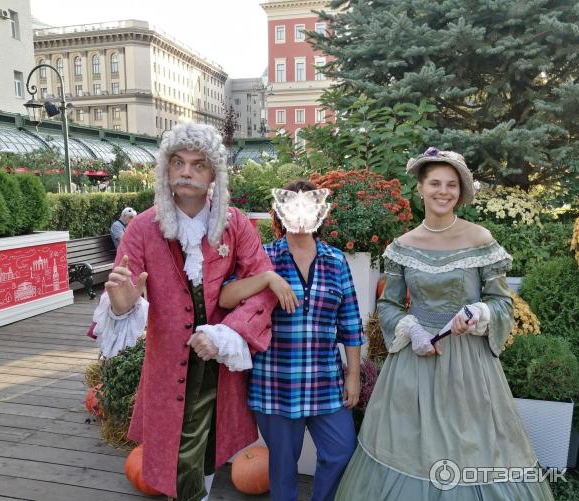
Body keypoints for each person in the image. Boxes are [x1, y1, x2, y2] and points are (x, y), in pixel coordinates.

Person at [335, 148, 554, 500]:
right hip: (415, 363)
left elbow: (502, 303)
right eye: (435, 183)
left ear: (461, 191)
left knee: (472, 445)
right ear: (420, 188)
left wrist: (478, 313)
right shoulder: (402, 246)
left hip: (469, 365)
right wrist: (412, 330)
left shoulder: (480, 240)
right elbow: (388, 305)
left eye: (451, 184)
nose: (443, 191)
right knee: (410, 445)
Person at [93, 123, 278, 500]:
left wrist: (226, 334)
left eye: (198, 164)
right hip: (168, 367)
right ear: (166, 169)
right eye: (177, 162)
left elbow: (261, 287)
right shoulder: (143, 228)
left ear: (213, 174)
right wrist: (122, 301)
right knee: (180, 453)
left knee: (206, 451)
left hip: (219, 363)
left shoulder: (235, 225)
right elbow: (123, 295)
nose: (186, 172)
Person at [219, 180, 365, 501]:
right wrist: (267, 278)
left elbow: (350, 323)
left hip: (325, 381)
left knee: (341, 451)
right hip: (275, 383)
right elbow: (226, 297)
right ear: (280, 213)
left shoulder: (336, 260)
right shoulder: (263, 258)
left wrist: (353, 375)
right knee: (283, 468)